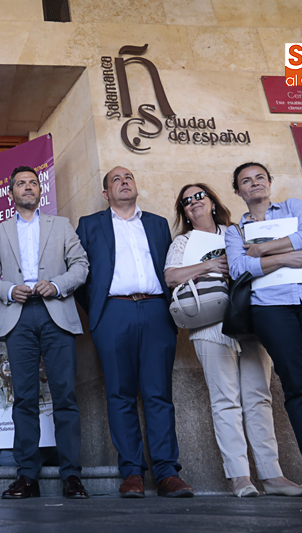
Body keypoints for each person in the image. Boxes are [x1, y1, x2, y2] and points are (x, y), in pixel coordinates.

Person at [164, 183, 302, 498]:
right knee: (225, 401)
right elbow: (171, 277)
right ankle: (240, 477)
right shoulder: (183, 241)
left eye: (199, 196)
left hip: (251, 320)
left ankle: (273, 476)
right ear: (184, 212)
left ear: (213, 202)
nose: (193, 203)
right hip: (209, 324)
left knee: (259, 397)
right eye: (186, 201)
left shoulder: (238, 232)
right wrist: (210, 265)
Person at [226, 162, 302, 500]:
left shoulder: (293, 206)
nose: (254, 184)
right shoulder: (235, 232)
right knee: (296, 386)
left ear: (269, 182)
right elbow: (239, 267)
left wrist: (264, 249)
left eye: (260, 178)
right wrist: (286, 257)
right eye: (245, 181)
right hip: (271, 308)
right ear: (238, 192)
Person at [75, 166, 193, 498]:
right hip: (114, 313)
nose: (124, 182)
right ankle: (132, 473)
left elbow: (170, 268)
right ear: (105, 193)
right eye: (116, 179)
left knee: (158, 394)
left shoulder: (156, 224)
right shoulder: (90, 224)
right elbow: (82, 276)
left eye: (128, 177)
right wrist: (100, 314)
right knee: (120, 394)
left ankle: (167, 473)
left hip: (156, 311)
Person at [0, 166, 90, 500]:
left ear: (40, 191)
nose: (28, 187)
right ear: (10, 193)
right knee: (24, 399)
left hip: (56, 313)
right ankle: (27, 476)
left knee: (65, 397)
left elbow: (81, 266)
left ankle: (71, 475)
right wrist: (11, 291)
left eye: (33, 183)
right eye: (20, 184)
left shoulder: (62, 225)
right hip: (18, 317)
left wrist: (55, 285)